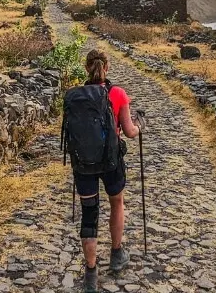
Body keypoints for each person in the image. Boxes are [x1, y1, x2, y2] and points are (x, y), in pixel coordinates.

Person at [66, 49, 145, 293]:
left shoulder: (73, 96)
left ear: (86, 68)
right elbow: (130, 132)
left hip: (83, 165)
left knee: (89, 214)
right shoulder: (118, 93)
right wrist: (141, 125)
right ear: (106, 68)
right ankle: (116, 253)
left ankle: (90, 273)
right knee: (116, 203)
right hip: (111, 162)